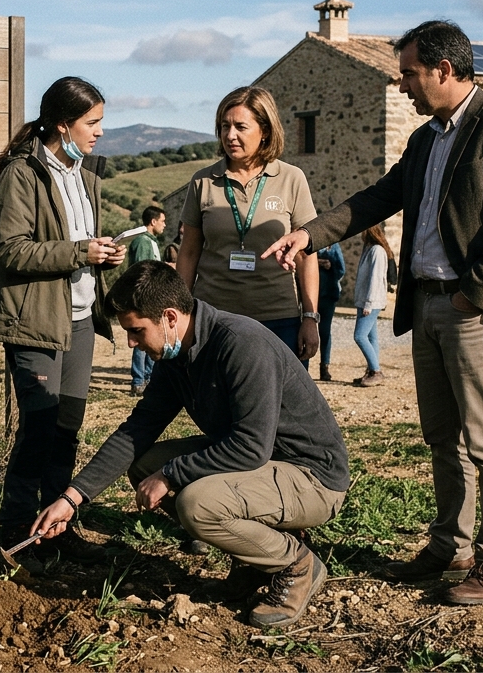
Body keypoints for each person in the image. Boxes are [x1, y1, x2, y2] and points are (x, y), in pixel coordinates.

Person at [261, 20, 483, 606]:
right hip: (427, 305)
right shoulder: (424, 140)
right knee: (443, 436)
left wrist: (475, 292)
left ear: (445, 70)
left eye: (411, 74)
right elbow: (376, 200)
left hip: (473, 309)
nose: (403, 86)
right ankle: (451, 545)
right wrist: (308, 235)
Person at [32, 261, 350, 629]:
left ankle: (297, 565)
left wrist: (170, 474)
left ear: (169, 316)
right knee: (144, 463)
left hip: (312, 478)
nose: (132, 343)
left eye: (136, 331)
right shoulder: (176, 354)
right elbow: (138, 429)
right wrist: (72, 498)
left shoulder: (241, 344)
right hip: (264, 467)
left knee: (196, 503)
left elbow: (250, 446)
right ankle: (253, 559)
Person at [0, 76, 124, 574]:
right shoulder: (20, 175)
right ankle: (15, 533)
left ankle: (56, 528)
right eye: (93, 123)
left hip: (82, 319)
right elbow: (12, 251)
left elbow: (78, 243)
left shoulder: (84, 173)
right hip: (37, 322)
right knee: (39, 428)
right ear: (63, 125)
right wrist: (78, 251)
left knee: (67, 428)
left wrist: (102, 254)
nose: (101, 133)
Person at [175, 87, 321, 362]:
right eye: (224, 126)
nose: (230, 135)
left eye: (240, 127)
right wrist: (183, 313)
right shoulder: (202, 181)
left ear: (264, 130)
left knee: (279, 403)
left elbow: (305, 255)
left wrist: (310, 318)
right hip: (214, 318)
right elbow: (189, 252)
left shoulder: (292, 178)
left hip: (278, 319)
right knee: (218, 403)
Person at [127, 206, 167, 396]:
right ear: (153, 222)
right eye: (162, 221)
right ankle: (139, 380)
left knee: (151, 337)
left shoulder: (150, 241)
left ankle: (149, 378)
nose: (164, 225)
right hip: (144, 299)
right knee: (142, 338)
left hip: (150, 298)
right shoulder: (144, 241)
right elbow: (142, 272)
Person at [352, 225, 394, 387]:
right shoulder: (369, 249)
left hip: (371, 301)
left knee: (360, 336)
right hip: (366, 300)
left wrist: (368, 304)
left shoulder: (376, 251)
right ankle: (371, 370)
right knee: (371, 337)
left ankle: (376, 371)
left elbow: (376, 279)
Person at [315, 242, 345, 382]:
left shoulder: (334, 247)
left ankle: (324, 367)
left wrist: (330, 266)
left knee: (325, 332)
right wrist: (316, 263)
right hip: (311, 295)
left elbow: (341, 270)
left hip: (328, 295)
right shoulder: (311, 245)